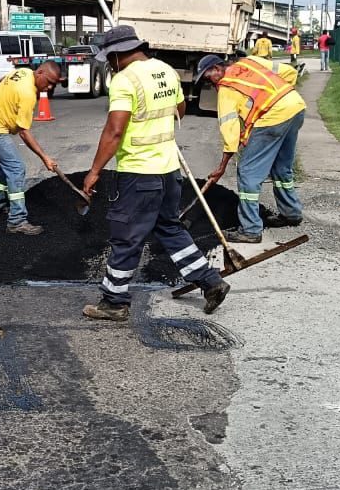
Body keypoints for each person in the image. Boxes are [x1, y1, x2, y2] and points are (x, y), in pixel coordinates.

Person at [81, 25, 229, 321]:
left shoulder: (125, 80)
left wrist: (94, 171)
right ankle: (210, 282)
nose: (109, 65)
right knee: (169, 228)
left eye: (109, 59)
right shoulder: (165, 70)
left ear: (117, 55)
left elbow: (115, 130)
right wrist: (158, 130)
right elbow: (180, 108)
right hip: (169, 171)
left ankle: (114, 302)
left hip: (138, 174)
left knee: (127, 237)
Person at [195, 52, 306, 243]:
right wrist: (281, 97)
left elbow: (230, 132)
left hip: (272, 118)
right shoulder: (250, 62)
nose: (210, 84)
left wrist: (222, 167)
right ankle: (291, 213)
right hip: (295, 106)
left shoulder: (226, 88)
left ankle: (251, 229)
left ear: (217, 68)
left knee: (247, 172)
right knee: (281, 168)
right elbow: (289, 72)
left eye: (208, 77)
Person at [0, 62, 62, 235]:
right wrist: (45, 157)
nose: (50, 87)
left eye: (54, 84)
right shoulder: (27, 94)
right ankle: (17, 221)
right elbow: (24, 133)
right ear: (40, 72)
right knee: (16, 168)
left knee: (7, 163)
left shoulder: (24, 71)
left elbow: (3, 82)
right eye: (49, 81)